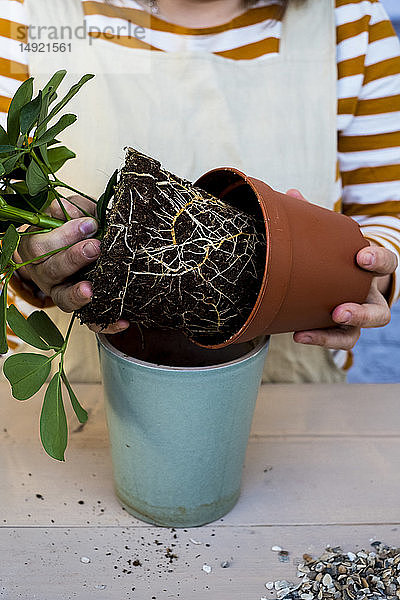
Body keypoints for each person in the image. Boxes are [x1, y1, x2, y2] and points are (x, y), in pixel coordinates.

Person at [1, 0, 399, 382]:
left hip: (298, 409)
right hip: (79, 404)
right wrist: (27, 257)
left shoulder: (348, 20)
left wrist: (360, 277)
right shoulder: (25, 15)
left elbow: (387, 217)